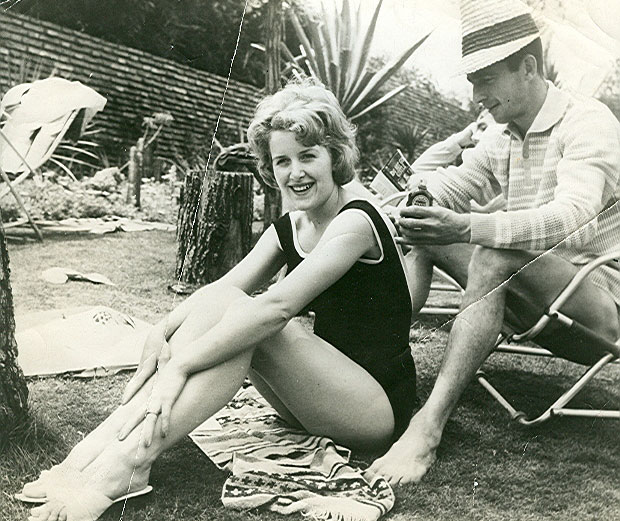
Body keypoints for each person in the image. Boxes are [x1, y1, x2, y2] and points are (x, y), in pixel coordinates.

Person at [20, 79, 418, 521]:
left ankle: (125, 466)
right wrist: (161, 331)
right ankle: (96, 450)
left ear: (335, 156)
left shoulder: (358, 220)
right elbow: (219, 291)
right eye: (282, 161)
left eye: (308, 156)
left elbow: (276, 309)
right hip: (317, 396)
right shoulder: (293, 224)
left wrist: (183, 366)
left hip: (374, 408)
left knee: (256, 320)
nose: (295, 173)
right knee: (227, 303)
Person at [366, 0, 620, 486]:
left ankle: (428, 428)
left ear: (528, 67)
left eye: (486, 79)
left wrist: (466, 228)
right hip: (538, 298)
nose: (477, 96)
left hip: (600, 307)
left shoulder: (589, 122)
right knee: (425, 230)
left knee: (492, 248)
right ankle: (378, 371)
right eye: (473, 82)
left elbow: (573, 220)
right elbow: (457, 183)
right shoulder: (505, 134)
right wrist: (405, 204)